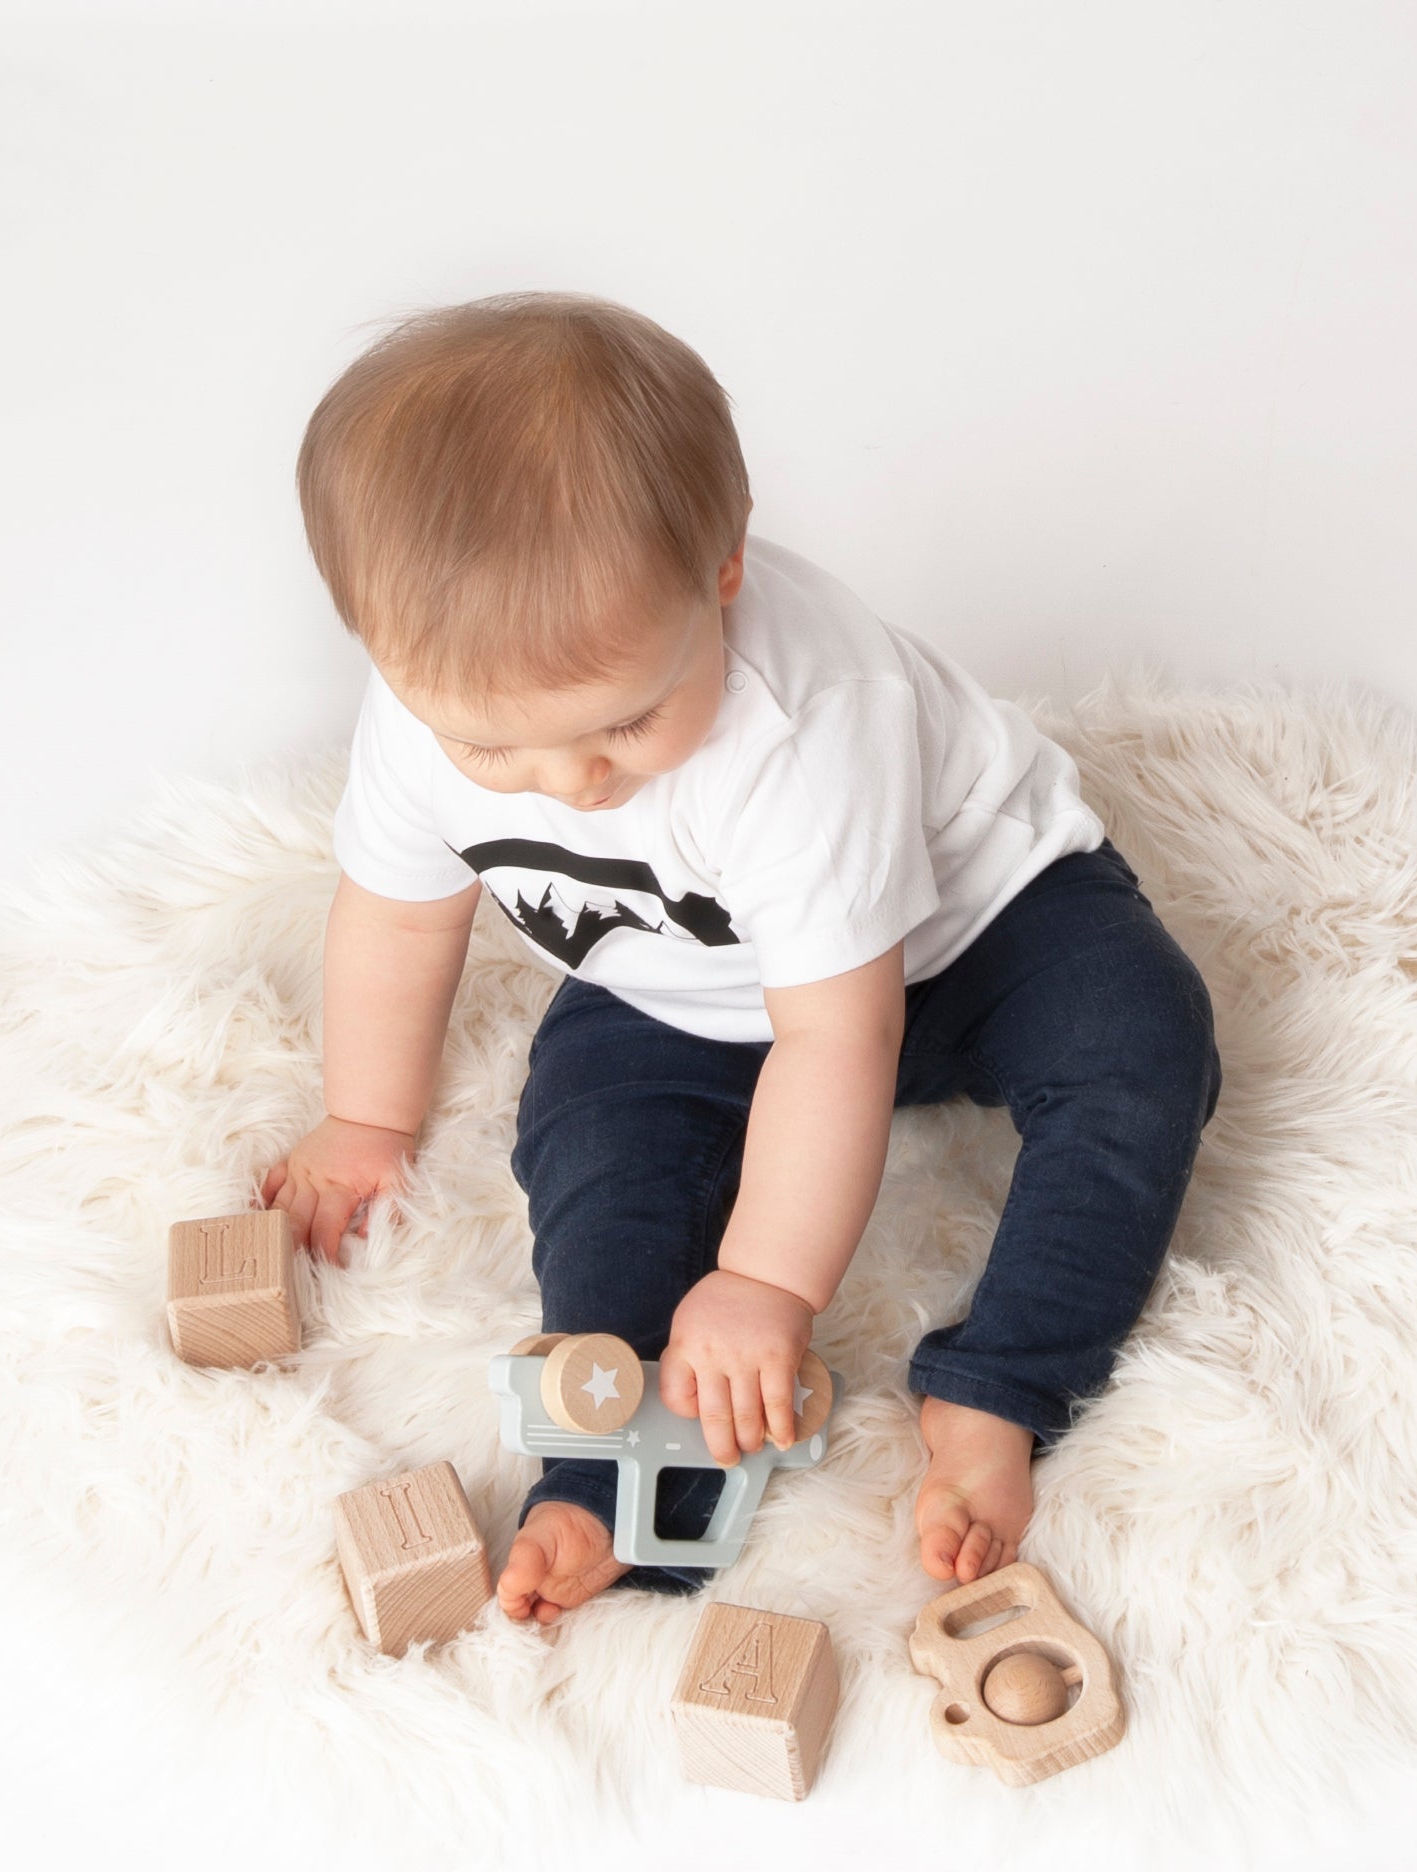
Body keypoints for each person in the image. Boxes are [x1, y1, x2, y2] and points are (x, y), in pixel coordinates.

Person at [257, 290, 1222, 1626]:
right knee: (598, 1154)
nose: (571, 783)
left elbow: (839, 1035)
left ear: (724, 569)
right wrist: (365, 1117)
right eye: (494, 748)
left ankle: (999, 1390)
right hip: (684, 982)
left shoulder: (802, 729)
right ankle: (602, 1480)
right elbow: (399, 915)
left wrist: (767, 1281)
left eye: (627, 722)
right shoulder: (424, 716)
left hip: (973, 930)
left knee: (1141, 1047)